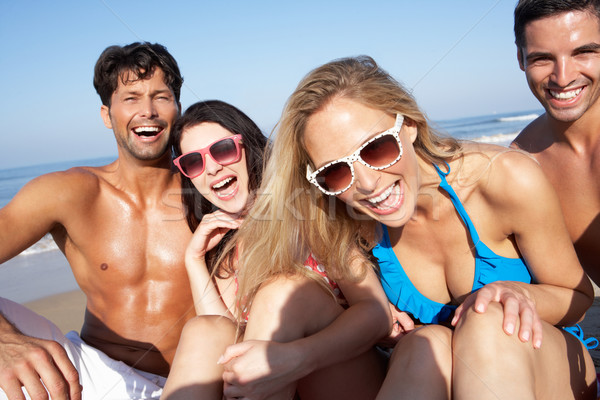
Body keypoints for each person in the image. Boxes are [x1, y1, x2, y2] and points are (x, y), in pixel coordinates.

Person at [232, 55, 598, 399]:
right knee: (424, 344)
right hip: (442, 371)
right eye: (335, 171)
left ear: (408, 125)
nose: (367, 184)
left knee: (486, 320)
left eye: (375, 149)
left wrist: (523, 295)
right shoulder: (345, 219)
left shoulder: (503, 178)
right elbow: (369, 313)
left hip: (542, 364)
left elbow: (579, 297)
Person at [0, 42, 211, 399]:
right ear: (106, 114)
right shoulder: (69, 192)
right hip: (93, 374)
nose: (148, 111)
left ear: (177, 108)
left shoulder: (211, 187)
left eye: (161, 97)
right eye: (131, 98)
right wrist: (5, 341)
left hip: (195, 379)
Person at [161, 99, 391, 400]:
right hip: (278, 390)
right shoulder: (225, 245)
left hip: (345, 377)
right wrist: (194, 260)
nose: (213, 168)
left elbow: (376, 314)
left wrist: (298, 356)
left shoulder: (305, 210)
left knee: (281, 291)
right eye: (194, 161)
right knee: (201, 330)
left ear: (247, 146)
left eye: (223, 149)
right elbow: (224, 343)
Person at [511, 0, 600, 287]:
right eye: (542, 58)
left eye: (583, 52)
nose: (563, 77)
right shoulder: (522, 163)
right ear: (521, 59)